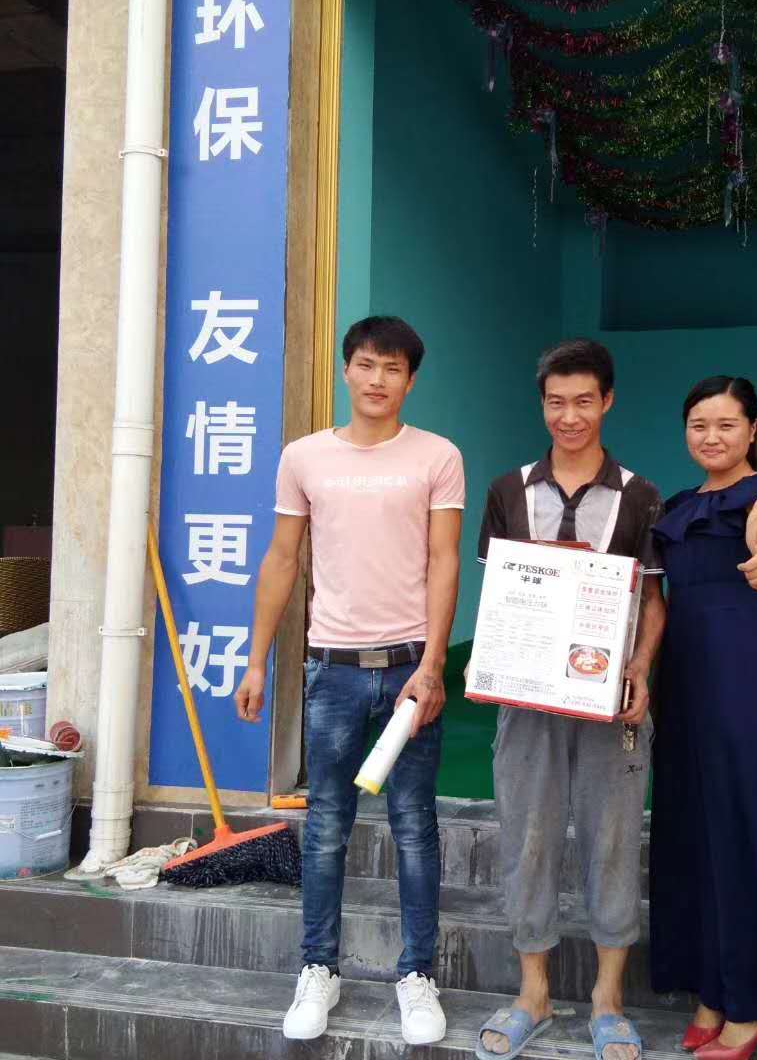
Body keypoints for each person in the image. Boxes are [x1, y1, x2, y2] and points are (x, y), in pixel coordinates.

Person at [233, 316, 464, 1044]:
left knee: (414, 827)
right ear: (345, 370)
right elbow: (282, 559)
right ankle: (318, 969)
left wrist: (433, 665)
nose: (377, 379)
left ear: (411, 380)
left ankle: (417, 975)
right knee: (327, 826)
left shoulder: (437, 456)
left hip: (408, 671)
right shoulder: (304, 457)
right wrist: (256, 659)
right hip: (331, 670)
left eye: (393, 368)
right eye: (366, 364)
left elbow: (445, 561)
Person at [473, 339, 667, 1060]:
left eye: (584, 401)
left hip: (609, 701)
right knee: (527, 837)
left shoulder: (641, 495)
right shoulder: (508, 490)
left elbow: (653, 599)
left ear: (607, 401)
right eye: (556, 403)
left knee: (612, 841)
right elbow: (501, 594)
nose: (570, 416)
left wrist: (640, 669)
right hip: (527, 701)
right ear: (542, 405)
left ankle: (607, 1000)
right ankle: (533, 994)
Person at [648, 376, 757, 1060]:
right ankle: (711, 991)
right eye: (698, 425)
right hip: (683, 677)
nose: (711, 436)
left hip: (746, 674)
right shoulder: (677, 506)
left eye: (726, 424)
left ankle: (753, 1003)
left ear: (753, 430)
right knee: (692, 827)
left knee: (743, 826)